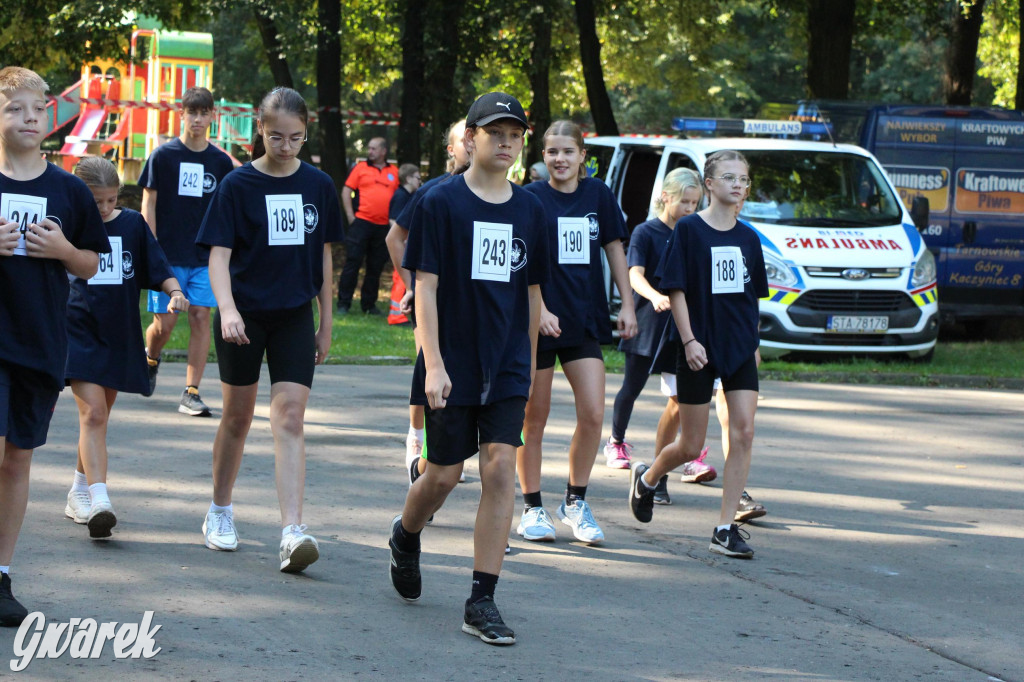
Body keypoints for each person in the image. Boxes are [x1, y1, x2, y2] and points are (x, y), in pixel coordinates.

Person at [387, 92, 548, 645]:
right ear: (472, 137)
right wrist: (432, 364)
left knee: (501, 466)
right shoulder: (440, 202)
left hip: (505, 364)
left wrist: (525, 370)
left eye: (515, 134)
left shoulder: (531, 209)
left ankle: (482, 600)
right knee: (444, 475)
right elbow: (424, 288)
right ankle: (406, 535)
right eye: (496, 132)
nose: (506, 142)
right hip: (451, 360)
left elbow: (531, 295)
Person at [195, 87, 342, 573]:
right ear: (260, 129)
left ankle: (292, 531)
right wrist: (229, 308)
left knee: (291, 417)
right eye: (276, 136)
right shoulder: (237, 186)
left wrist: (326, 322)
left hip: (294, 315)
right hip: (244, 315)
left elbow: (324, 257)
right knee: (237, 417)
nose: (285, 146)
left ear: (306, 134)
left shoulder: (318, 185)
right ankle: (219, 510)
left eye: (295, 138)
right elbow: (219, 255)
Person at [0, 66, 109, 626]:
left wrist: (64, 248)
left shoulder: (67, 190)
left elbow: (92, 261)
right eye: (14, 108)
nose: (27, 118)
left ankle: (0, 577)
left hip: (40, 342)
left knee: (17, 457)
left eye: (36, 109)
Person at [629, 150, 768, 559]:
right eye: (729, 177)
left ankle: (725, 527)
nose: (738, 185)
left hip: (739, 345)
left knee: (742, 432)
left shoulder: (749, 237)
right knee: (690, 445)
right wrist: (689, 341)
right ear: (710, 184)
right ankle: (648, 476)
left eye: (744, 178)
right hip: (697, 346)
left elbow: (751, 298)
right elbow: (677, 289)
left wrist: (754, 344)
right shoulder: (689, 230)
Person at [515, 120, 637, 545]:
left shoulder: (598, 195)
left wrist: (628, 303)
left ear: (583, 155)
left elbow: (615, 249)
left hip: (584, 318)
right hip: (538, 321)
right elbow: (522, 262)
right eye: (552, 152)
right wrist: (540, 310)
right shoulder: (529, 198)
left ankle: (575, 501)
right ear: (542, 156)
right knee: (534, 416)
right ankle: (532, 507)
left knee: (593, 413)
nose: (560, 159)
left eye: (568, 151)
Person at [64, 157, 189, 539]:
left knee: (97, 420)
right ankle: (100, 499)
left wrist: (176, 292)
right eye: (94, 202)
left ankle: (78, 490)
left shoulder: (132, 224)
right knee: (94, 414)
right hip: (76, 330)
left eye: (109, 200)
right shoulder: (65, 226)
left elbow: (159, 266)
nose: (102, 209)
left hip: (119, 335)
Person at [139, 86, 235, 417]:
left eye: (203, 112)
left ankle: (191, 392)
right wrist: (150, 249)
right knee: (164, 325)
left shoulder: (221, 162)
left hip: (204, 258)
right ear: (181, 115)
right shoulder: (162, 157)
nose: (197, 119)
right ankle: (150, 357)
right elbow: (148, 204)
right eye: (191, 112)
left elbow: (226, 212)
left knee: (200, 316)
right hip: (166, 257)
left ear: (212, 116)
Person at [385, 120, 470, 486]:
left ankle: (447, 456)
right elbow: (394, 238)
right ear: (451, 150)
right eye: (463, 141)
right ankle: (418, 440)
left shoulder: (499, 195)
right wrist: (411, 287)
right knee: (428, 365)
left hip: (470, 305)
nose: (471, 144)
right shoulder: (433, 192)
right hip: (432, 299)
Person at [604, 167, 702, 476]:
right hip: (650, 321)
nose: (690, 209)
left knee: (682, 396)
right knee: (631, 386)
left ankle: (688, 453)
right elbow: (635, 275)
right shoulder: (646, 232)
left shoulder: (695, 234)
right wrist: (656, 296)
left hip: (682, 327)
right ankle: (616, 441)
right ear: (665, 197)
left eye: (695, 203)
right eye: (684, 202)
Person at [337, 136, 398, 315]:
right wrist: (350, 216)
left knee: (375, 266)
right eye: (369, 148)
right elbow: (346, 191)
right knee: (352, 263)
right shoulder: (360, 168)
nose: (369, 151)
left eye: (373, 148)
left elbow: (399, 197)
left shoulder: (394, 172)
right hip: (361, 223)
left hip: (383, 228)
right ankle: (343, 303)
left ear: (383, 151)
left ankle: (369, 305)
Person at [386, 163, 421, 326]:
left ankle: (400, 313)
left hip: (406, 243)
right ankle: (396, 316)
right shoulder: (401, 196)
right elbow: (394, 219)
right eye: (417, 178)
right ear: (408, 178)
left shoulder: (408, 196)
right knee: (400, 279)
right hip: (402, 244)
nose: (420, 182)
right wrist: (404, 239)